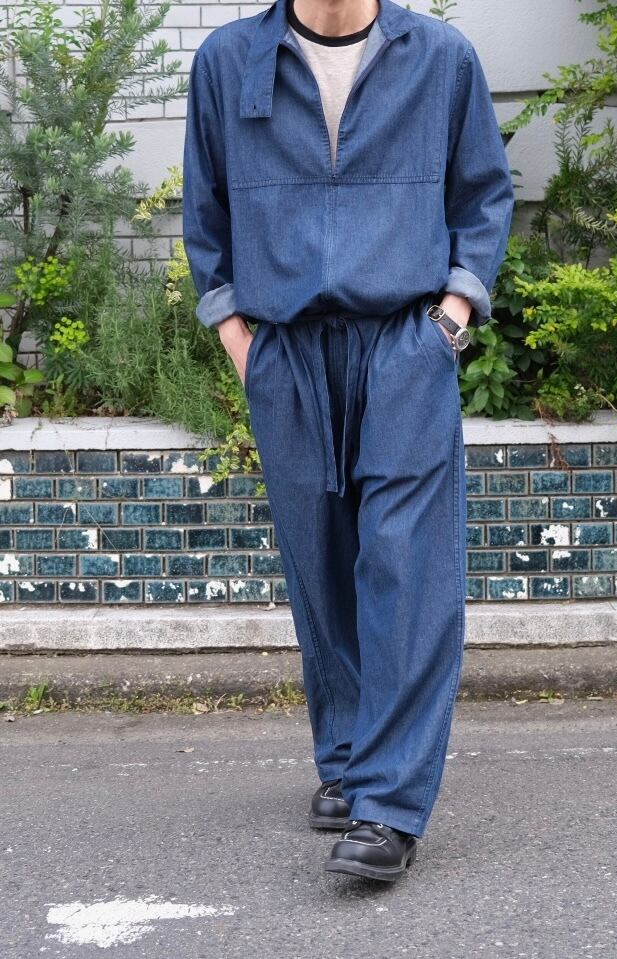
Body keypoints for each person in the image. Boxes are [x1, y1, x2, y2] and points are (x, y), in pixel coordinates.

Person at [183, 0, 514, 882]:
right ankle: (346, 756)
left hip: (404, 345)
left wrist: (450, 320)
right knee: (319, 561)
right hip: (285, 352)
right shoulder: (228, 61)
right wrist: (241, 345)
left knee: (406, 567)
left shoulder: (439, 57)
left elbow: (483, 194)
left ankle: (388, 805)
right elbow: (205, 209)